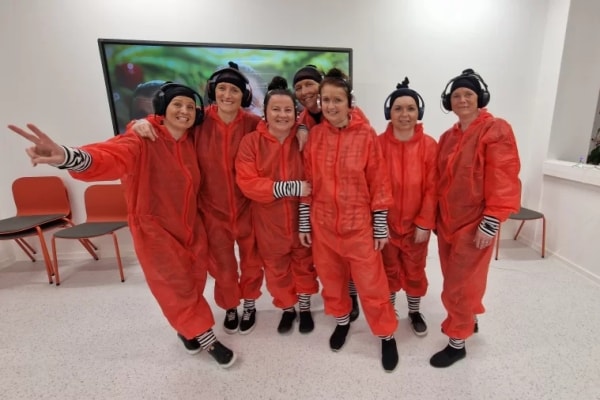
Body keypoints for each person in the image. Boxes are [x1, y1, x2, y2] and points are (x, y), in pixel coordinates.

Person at [8, 83, 237, 368]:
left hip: (191, 226)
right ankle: (207, 338)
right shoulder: (141, 139)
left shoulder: (192, 141)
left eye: (191, 106)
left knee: (193, 281)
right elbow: (110, 156)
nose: (185, 111)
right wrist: (66, 157)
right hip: (154, 231)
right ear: (162, 109)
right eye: (177, 104)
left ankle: (186, 328)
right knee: (175, 286)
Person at [132, 62, 264, 335]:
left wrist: (301, 130)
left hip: (249, 209)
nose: (228, 95)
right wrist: (139, 123)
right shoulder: (199, 122)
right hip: (212, 212)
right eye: (222, 89)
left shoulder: (254, 124)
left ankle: (250, 303)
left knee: (252, 261)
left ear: (245, 95)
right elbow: (166, 125)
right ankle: (230, 306)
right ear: (213, 91)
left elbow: (280, 133)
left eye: (235, 90)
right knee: (223, 267)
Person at [298, 68, 399, 372]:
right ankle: (342, 322)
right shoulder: (315, 136)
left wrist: (379, 226)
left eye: (337, 100)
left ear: (349, 102)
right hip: (323, 227)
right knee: (332, 282)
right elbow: (308, 181)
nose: (330, 106)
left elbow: (379, 183)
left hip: (358, 229)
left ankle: (386, 334)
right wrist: (304, 222)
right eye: (326, 100)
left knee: (372, 286)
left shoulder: (366, 135)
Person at [431, 69, 521, 367]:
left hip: (475, 224)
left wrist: (491, 220)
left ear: (480, 98)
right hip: (448, 223)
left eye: (468, 94)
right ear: (449, 101)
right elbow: (438, 181)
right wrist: (435, 219)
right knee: (457, 279)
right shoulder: (447, 137)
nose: (462, 99)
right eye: (456, 95)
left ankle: (457, 342)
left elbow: (504, 176)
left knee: (458, 286)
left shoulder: (495, 130)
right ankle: (469, 319)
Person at [235, 76, 319, 334]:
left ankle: (304, 307)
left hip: (302, 221)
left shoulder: (305, 141)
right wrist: (291, 187)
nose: (282, 115)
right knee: (276, 270)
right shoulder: (251, 143)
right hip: (268, 224)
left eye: (288, 110)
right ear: (265, 112)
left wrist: (304, 221)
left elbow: (313, 182)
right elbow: (248, 183)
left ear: (296, 113)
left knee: (304, 266)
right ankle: (287, 308)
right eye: (276, 109)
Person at [292, 64, 361, 322]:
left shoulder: (355, 120)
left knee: (351, 260)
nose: (304, 91)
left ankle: (351, 294)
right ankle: (339, 302)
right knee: (328, 263)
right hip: (320, 204)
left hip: (350, 206)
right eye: (298, 87)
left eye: (309, 84)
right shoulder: (304, 121)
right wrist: (301, 125)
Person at [379, 78, 438, 337]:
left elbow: (433, 188)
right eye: (398, 108)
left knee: (415, 270)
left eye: (411, 108)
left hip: (417, 226)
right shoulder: (377, 145)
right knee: (388, 270)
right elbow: (372, 186)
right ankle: (390, 310)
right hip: (386, 225)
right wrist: (378, 223)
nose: (405, 114)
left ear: (419, 112)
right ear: (389, 112)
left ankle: (414, 311)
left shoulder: (430, 146)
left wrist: (425, 222)